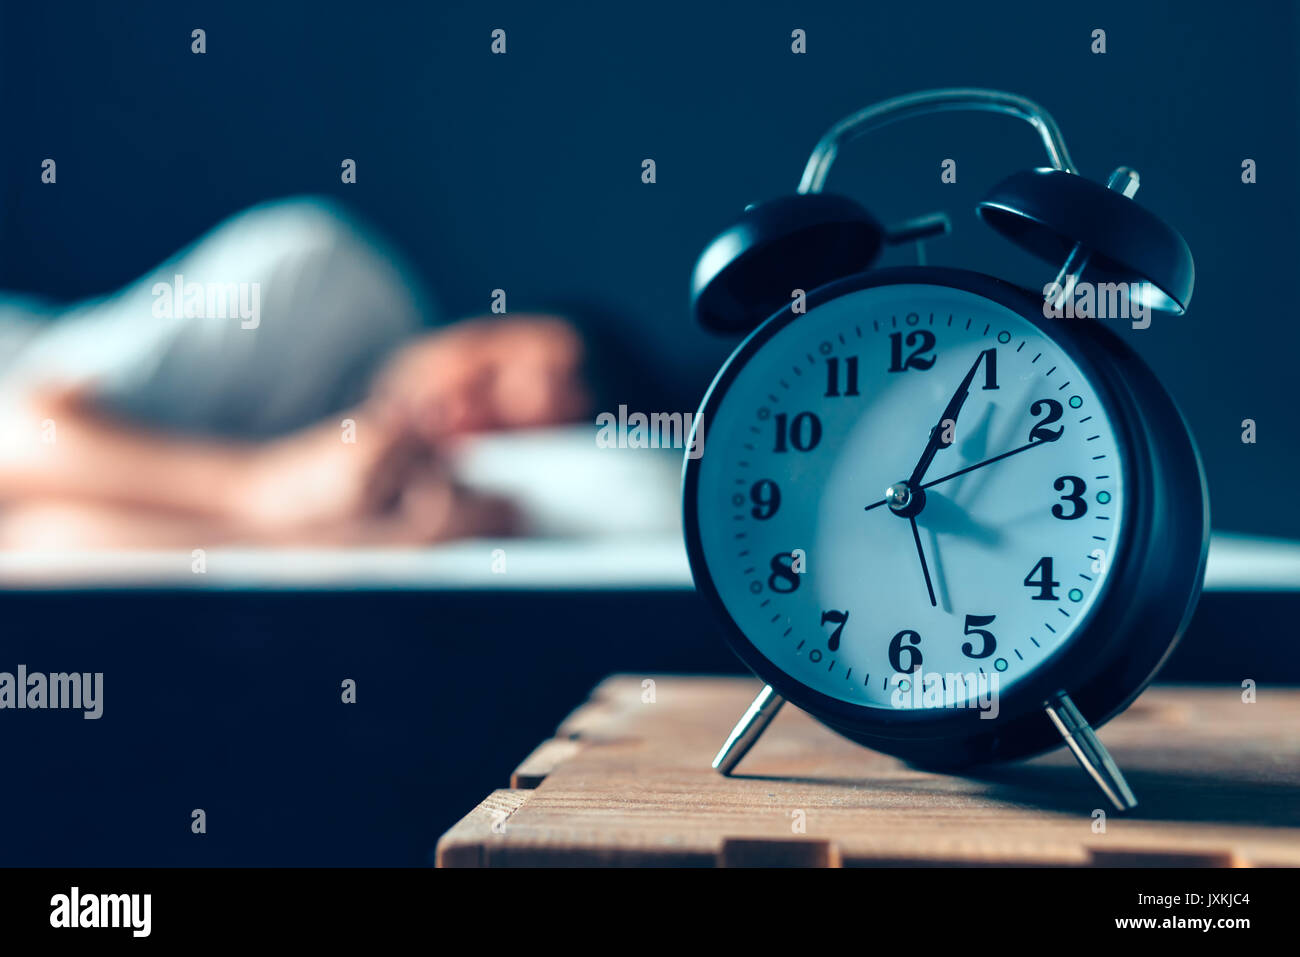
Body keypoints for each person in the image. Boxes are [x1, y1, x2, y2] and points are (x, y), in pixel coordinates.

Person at [0, 198, 590, 547]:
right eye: (486, 370)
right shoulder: (319, 275)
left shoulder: (379, 500)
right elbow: (18, 433)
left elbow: (32, 534)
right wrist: (256, 487)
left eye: (497, 427)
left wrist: (340, 534)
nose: (458, 408)